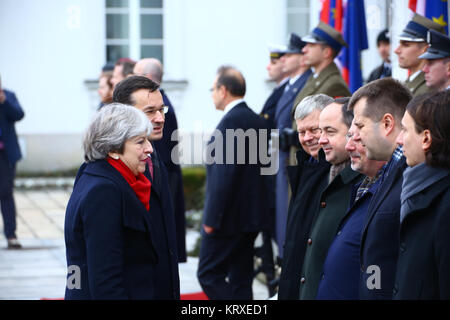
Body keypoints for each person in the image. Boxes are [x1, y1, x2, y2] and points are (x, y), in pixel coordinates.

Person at [65, 103, 179, 299]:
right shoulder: (104, 190)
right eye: (140, 142)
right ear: (113, 149)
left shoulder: (102, 175)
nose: (149, 148)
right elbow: (106, 281)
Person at [197, 66, 271, 300]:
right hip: (250, 218)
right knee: (241, 279)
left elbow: (223, 178)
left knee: (208, 274)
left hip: (227, 219)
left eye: (213, 89)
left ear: (224, 90)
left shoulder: (231, 123)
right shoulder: (256, 120)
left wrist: (211, 220)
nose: (211, 94)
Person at [347, 77, 412, 299]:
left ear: (387, 124)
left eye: (360, 126)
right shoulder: (389, 171)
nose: (354, 136)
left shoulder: (409, 177)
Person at [112, 76, 180, 280]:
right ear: (124, 114)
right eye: (150, 111)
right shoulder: (111, 169)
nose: (160, 118)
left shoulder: (154, 157)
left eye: (162, 110)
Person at [316, 116, 386, 299]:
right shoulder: (362, 187)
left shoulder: (387, 196)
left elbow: (378, 271)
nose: (349, 146)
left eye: (357, 138)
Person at [298, 98, 363, 300]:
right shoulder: (322, 172)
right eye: (321, 131)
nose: (320, 140)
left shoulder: (364, 184)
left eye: (330, 131)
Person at [393, 90, 450, 299]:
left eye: (405, 130)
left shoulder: (444, 206)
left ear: (426, 138)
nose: (398, 140)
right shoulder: (417, 190)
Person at [278, 94, 334, 300]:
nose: (307, 137)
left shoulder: (335, 172)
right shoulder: (305, 166)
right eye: (302, 131)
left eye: (314, 130)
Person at [134, 58, 187, 263]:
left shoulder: (161, 109)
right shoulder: (160, 103)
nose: (158, 118)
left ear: (146, 78)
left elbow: (159, 157)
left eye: (135, 74)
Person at [255, 44, 290, 297]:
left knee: (279, 234)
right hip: (271, 168)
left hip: (280, 167)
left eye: (274, 62)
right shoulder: (280, 91)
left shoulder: (287, 91)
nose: (270, 66)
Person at [274, 32, 312, 261]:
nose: (283, 59)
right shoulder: (290, 86)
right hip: (282, 155)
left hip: (293, 155)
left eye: (290, 54)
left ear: (302, 58)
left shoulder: (305, 84)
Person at [0, 75, 24, 249]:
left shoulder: (8, 96)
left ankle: (11, 235)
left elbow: (19, 114)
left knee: (6, 192)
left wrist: (4, 102)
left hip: (6, 154)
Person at [394, 14, 445, 96]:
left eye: (406, 44)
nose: (396, 50)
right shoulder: (409, 82)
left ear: (425, 49)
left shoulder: (430, 88)